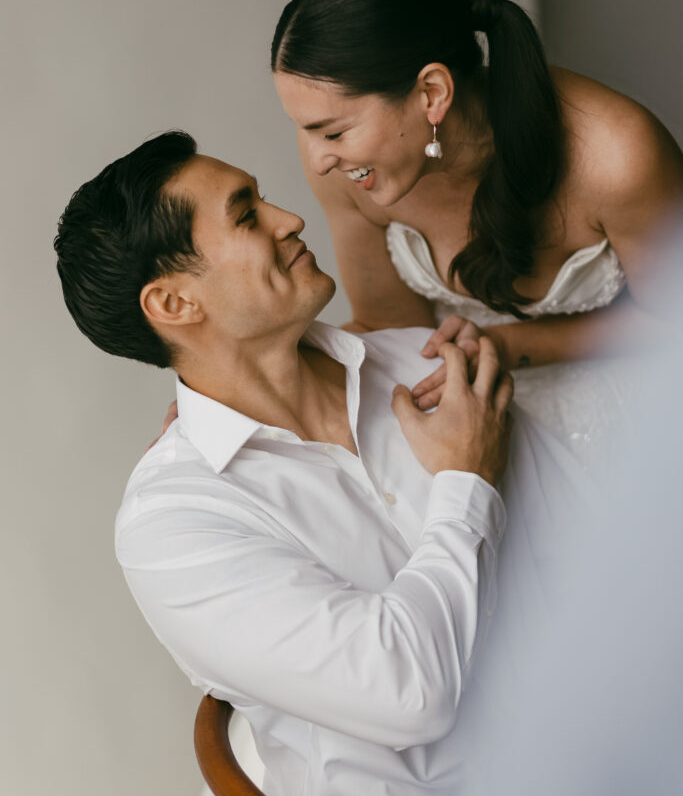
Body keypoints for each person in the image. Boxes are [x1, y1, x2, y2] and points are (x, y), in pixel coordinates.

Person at [54, 131, 585, 796]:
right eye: (247, 215)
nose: (290, 219)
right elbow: (409, 695)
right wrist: (465, 481)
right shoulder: (174, 525)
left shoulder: (429, 362)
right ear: (174, 304)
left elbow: (595, 547)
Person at [271, 0, 683, 449]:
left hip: (638, 437)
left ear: (432, 93)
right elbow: (390, 329)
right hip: (476, 439)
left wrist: (507, 345)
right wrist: (245, 394)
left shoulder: (618, 156)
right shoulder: (350, 171)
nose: (317, 161)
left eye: (332, 132)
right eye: (304, 130)